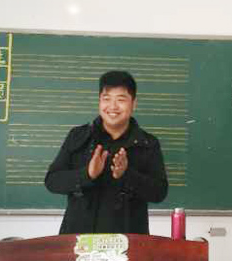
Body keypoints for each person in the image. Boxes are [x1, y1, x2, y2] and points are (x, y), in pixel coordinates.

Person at [44, 70, 168, 234]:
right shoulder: (78, 136)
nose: (112, 106)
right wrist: (87, 174)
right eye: (106, 98)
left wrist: (126, 175)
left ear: (134, 103)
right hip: (79, 240)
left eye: (121, 99)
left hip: (127, 241)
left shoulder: (148, 143)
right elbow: (52, 181)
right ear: (99, 101)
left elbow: (159, 192)